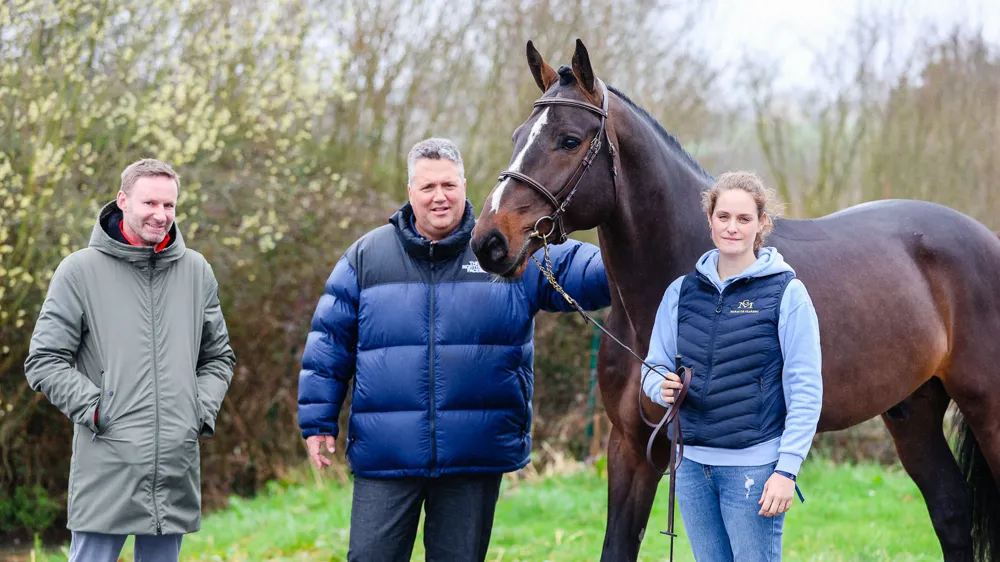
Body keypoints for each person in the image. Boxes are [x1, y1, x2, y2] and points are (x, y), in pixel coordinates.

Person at [298, 138, 610, 561]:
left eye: (448, 184)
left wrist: (636, 254)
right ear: (410, 192)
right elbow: (329, 343)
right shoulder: (366, 257)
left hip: (473, 453)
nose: (439, 196)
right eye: (427, 187)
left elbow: (588, 273)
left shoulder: (505, 248)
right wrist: (318, 421)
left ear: (465, 185)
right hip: (387, 453)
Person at [24, 159, 236, 562]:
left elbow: (218, 358)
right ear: (122, 201)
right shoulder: (79, 272)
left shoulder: (196, 271)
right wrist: (99, 410)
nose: (161, 215)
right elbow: (45, 359)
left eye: (169, 206)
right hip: (107, 465)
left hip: (174, 468)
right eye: (149, 203)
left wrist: (197, 410)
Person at [642, 171, 822, 561]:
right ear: (709, 220)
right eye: (723, 217)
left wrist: (786, 470)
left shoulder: (787, 292)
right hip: (690, 466)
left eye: (743, 219)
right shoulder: (681, 292)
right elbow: (653, 367)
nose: (732, 227)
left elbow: (805, 388)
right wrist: (662, 386)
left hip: (754, 470)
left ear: (761, 224)